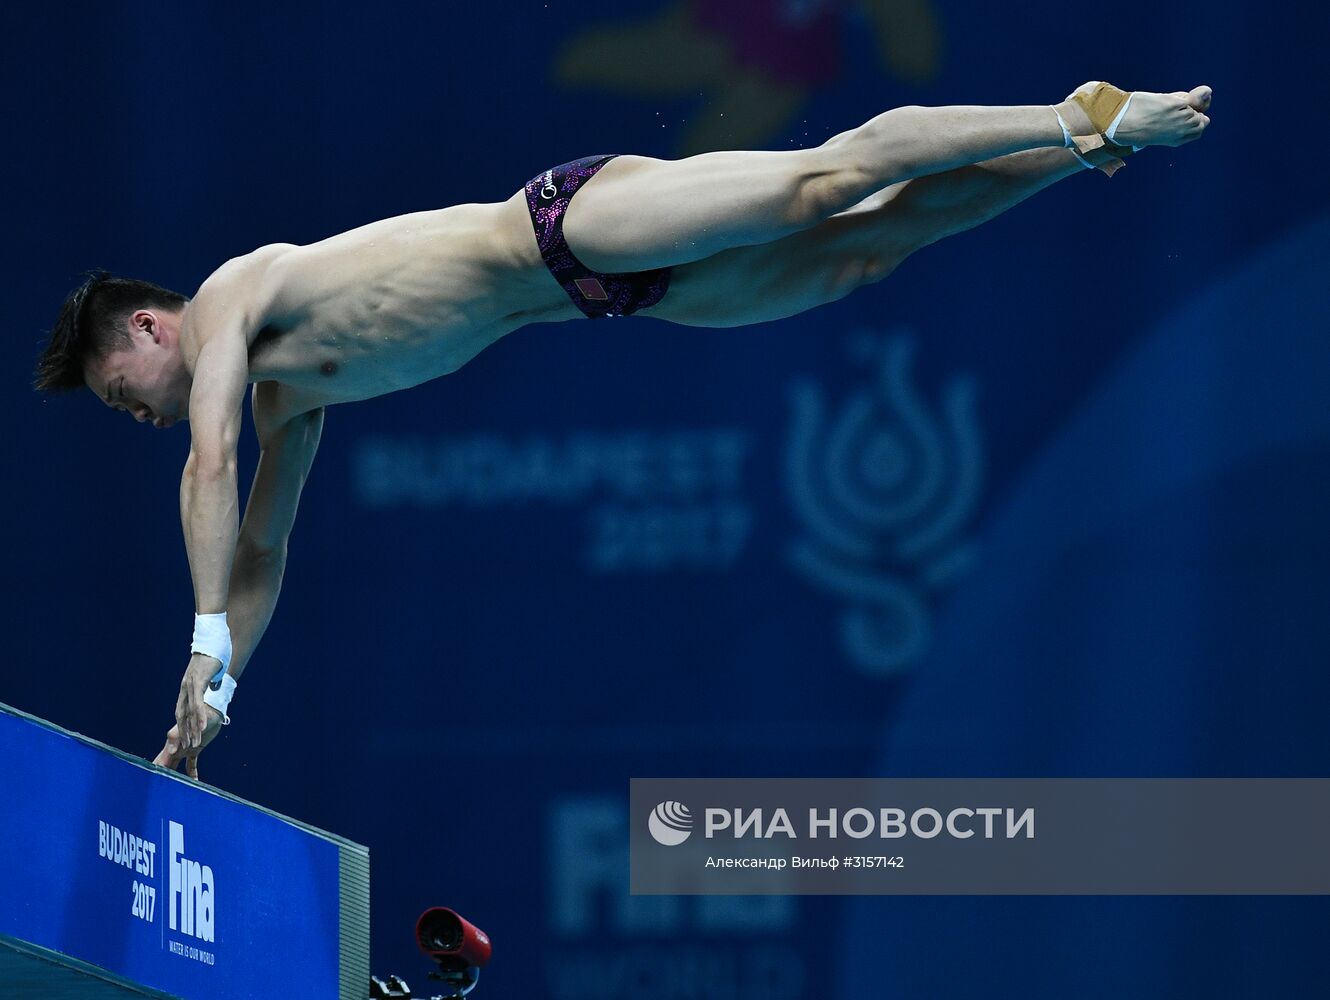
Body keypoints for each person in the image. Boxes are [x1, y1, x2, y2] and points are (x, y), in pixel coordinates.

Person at [33, 82, 1210, 780]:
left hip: (563, 227)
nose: (132, 411)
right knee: (861, 252)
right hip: (615, 297)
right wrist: (222, 684)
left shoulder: (237, 290)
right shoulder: (294, 395)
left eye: (118, 385)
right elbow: (262, 550)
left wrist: (197, 638)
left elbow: (210, 462)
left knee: (820, 183)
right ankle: (1088, 149)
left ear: (148, 323)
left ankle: (1070, 109)